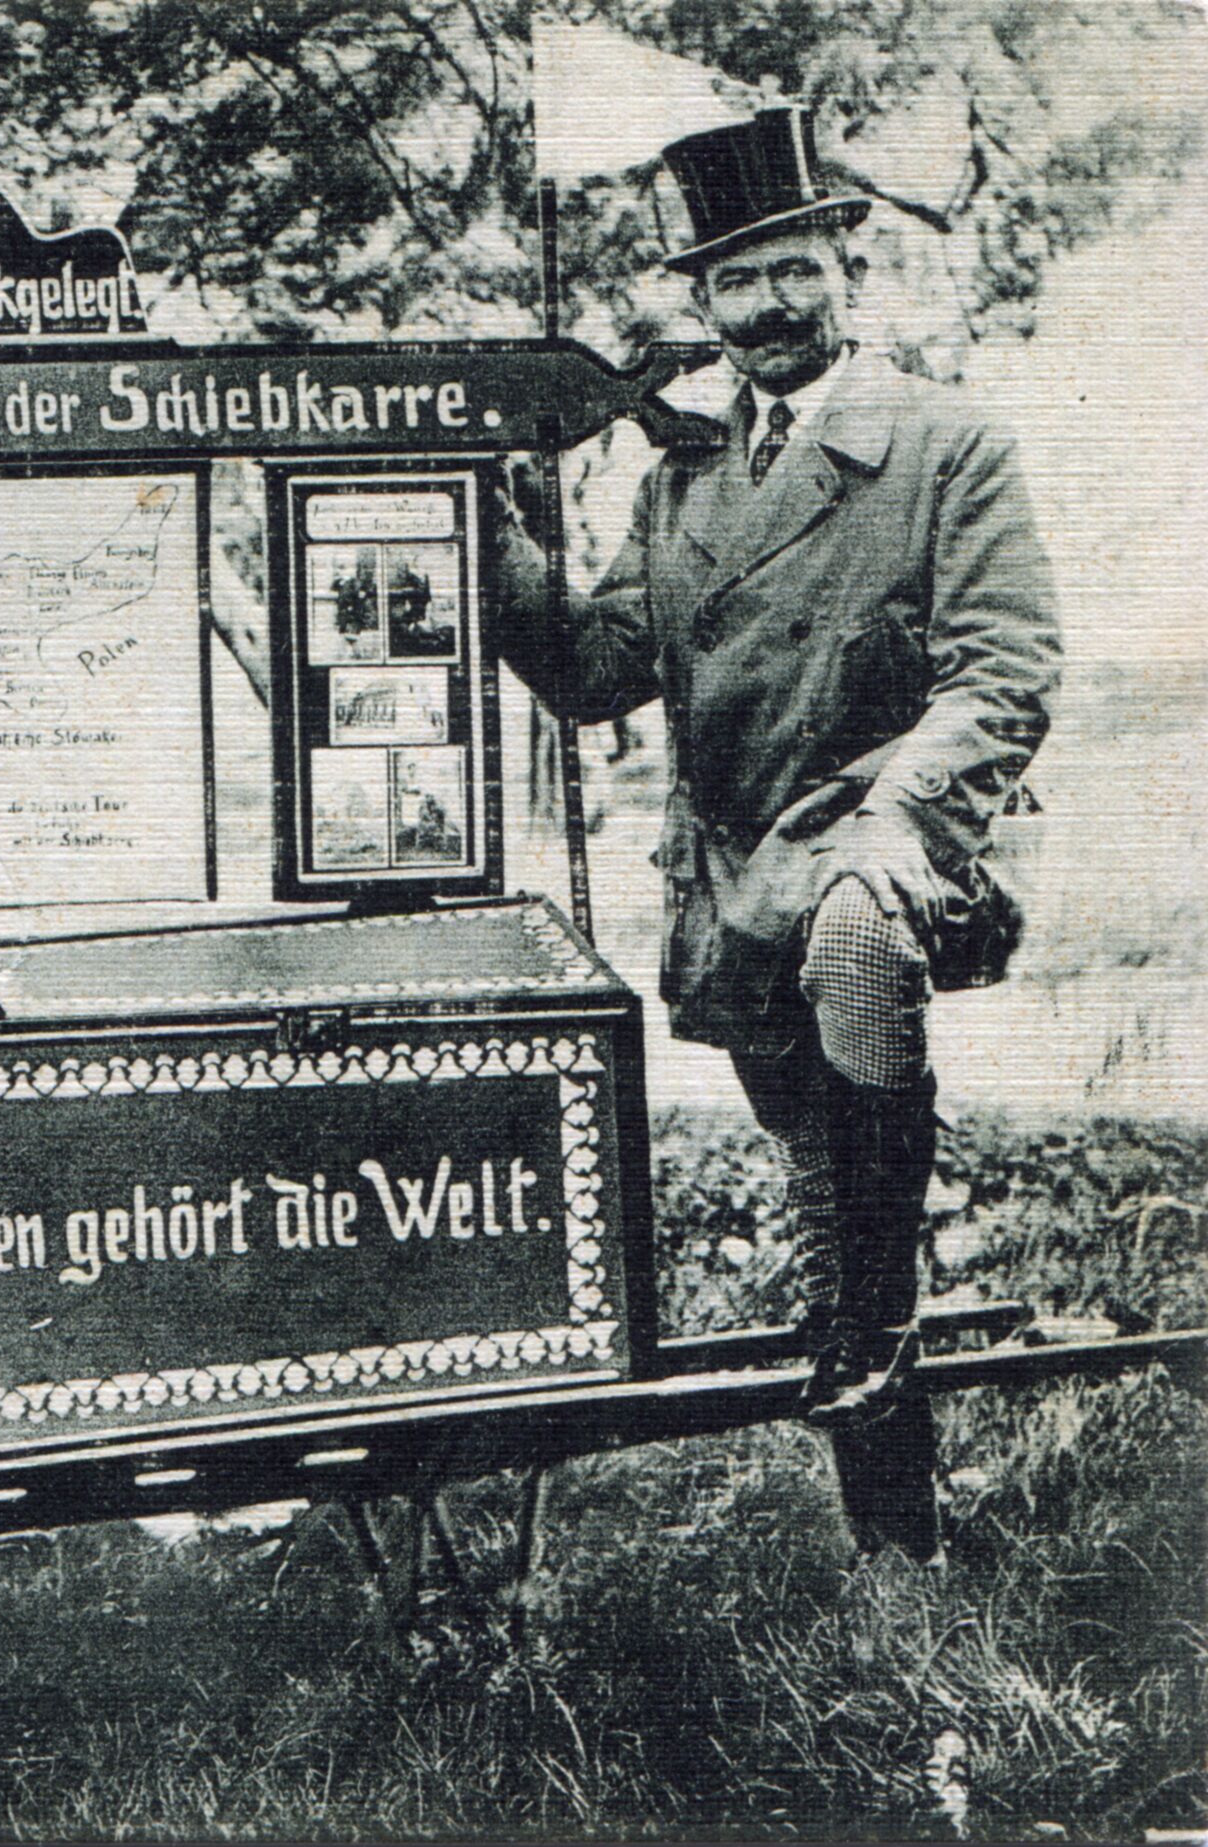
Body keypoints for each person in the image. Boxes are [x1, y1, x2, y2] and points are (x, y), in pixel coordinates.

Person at [490, 109, 1059, 1561]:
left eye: (796, 269)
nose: (771, 306)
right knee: (817, 1167)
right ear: (705, 305)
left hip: (887, 829)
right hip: (734, 869)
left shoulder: (945, 444)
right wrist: (491, 528)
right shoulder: (683, 477)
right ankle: (897, 1541)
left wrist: (897, 816)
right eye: (738, 282)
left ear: (844, 271)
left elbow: (1004, 672)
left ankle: (875, 1367)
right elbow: (596, 668)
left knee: (859, 951)